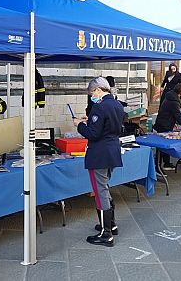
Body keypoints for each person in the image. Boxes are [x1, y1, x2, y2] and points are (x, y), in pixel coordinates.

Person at [73, 77, 124, 247]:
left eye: (92, 92)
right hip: (113, 150)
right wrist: (89, 121)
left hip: (99, 153)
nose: (91, 96)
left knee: (100, 191)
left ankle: (106, 233)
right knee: (104, 187)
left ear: (98, 90)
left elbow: (93, 134)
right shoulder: (116, 104)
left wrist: (79, 125)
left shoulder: (99, 106)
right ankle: (111, 224)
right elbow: (109, 126)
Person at [153, 84, 181, 170]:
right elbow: (178, 117)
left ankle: (165, 163)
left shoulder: (169, 96)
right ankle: (158, 166)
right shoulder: (174, 102)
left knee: (163, 145)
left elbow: (171, 113)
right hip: (164, 125)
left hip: (162, 123)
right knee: (162, 146)